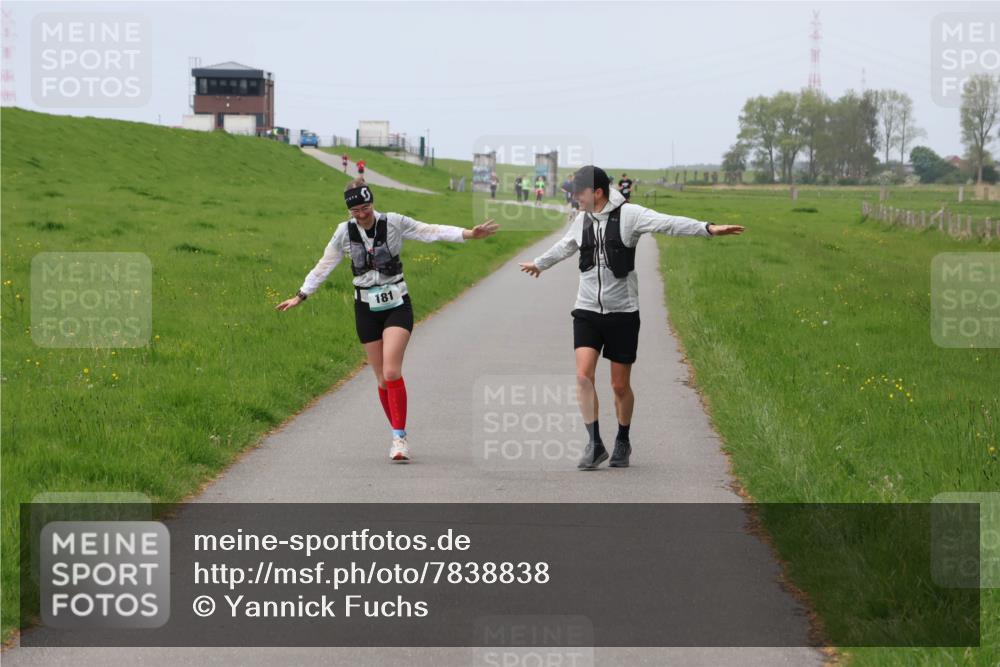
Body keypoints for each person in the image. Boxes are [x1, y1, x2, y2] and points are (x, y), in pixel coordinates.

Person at [518, 166, 744, 470]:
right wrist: (540, 264)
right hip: (586, 309)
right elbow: (567, 245)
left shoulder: (630, 215)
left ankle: (622, 438)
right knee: (583, 376)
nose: (575, 199)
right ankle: (594, 443)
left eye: (579, 193)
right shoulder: (582, 218)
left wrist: (707, 228)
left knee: (619, 386)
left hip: (622, 312)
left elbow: (667, 223)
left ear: (597, 192)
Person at [277, 179, 499, 462]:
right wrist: (301, 294)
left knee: (392, 372)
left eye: (365, 207)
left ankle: (399, 438)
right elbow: (325, 264)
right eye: (355, 210)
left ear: (373, 203)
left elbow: (430, 231)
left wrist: (468, 234)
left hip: (397, 304)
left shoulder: (394, 222)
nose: (361, 214)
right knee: (382, 379)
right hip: (365, 308)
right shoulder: (343, 233)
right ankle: (396, 429)